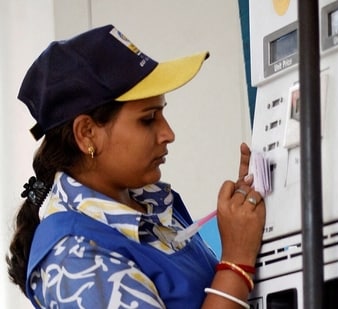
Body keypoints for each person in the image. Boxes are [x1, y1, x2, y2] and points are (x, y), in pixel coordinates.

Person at [6, 24, 266, 309]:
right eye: (148, 118)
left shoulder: (151, 206)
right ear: (87, 133)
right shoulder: (75, 258)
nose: (168, 133)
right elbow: (230, 277)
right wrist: (237, 259)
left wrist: (245, 220)